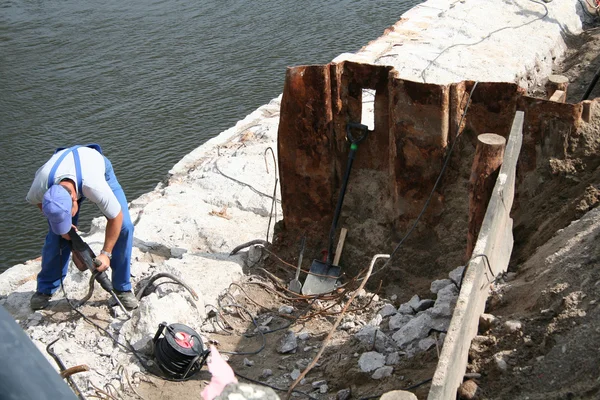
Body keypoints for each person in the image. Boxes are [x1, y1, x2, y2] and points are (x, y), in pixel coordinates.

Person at [26, 144, 138, 311]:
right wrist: (63, 228)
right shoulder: (40, 187)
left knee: (125, 227)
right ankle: (45, 290)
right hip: (64, 170)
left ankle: (122, 288)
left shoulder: (94, 186)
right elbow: (39, 203)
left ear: (74, 198)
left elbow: (116, 217)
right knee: (56, 237)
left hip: (94, 166)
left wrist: (106, 254)